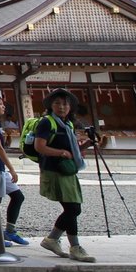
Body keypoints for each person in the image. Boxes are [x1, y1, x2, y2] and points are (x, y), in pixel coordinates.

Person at [34, 88, 96, 262]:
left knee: (72, 208)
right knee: (73, 208)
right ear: (50, 106)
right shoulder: (47, 123)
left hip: (67, 170)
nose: (62, 107)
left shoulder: (66, 124)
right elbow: (40, 147)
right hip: (55, 170)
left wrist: (87, 145)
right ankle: (73, 247)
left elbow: (71, 150)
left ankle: (53, 239)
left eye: (65, 104)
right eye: (58, 103)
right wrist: (61, 152)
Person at [0, 95, 28, 247]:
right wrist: (11, 168)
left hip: (0, 168)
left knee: (18, 197)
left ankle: (10, 230)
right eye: (0, 103)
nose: (3, 106)